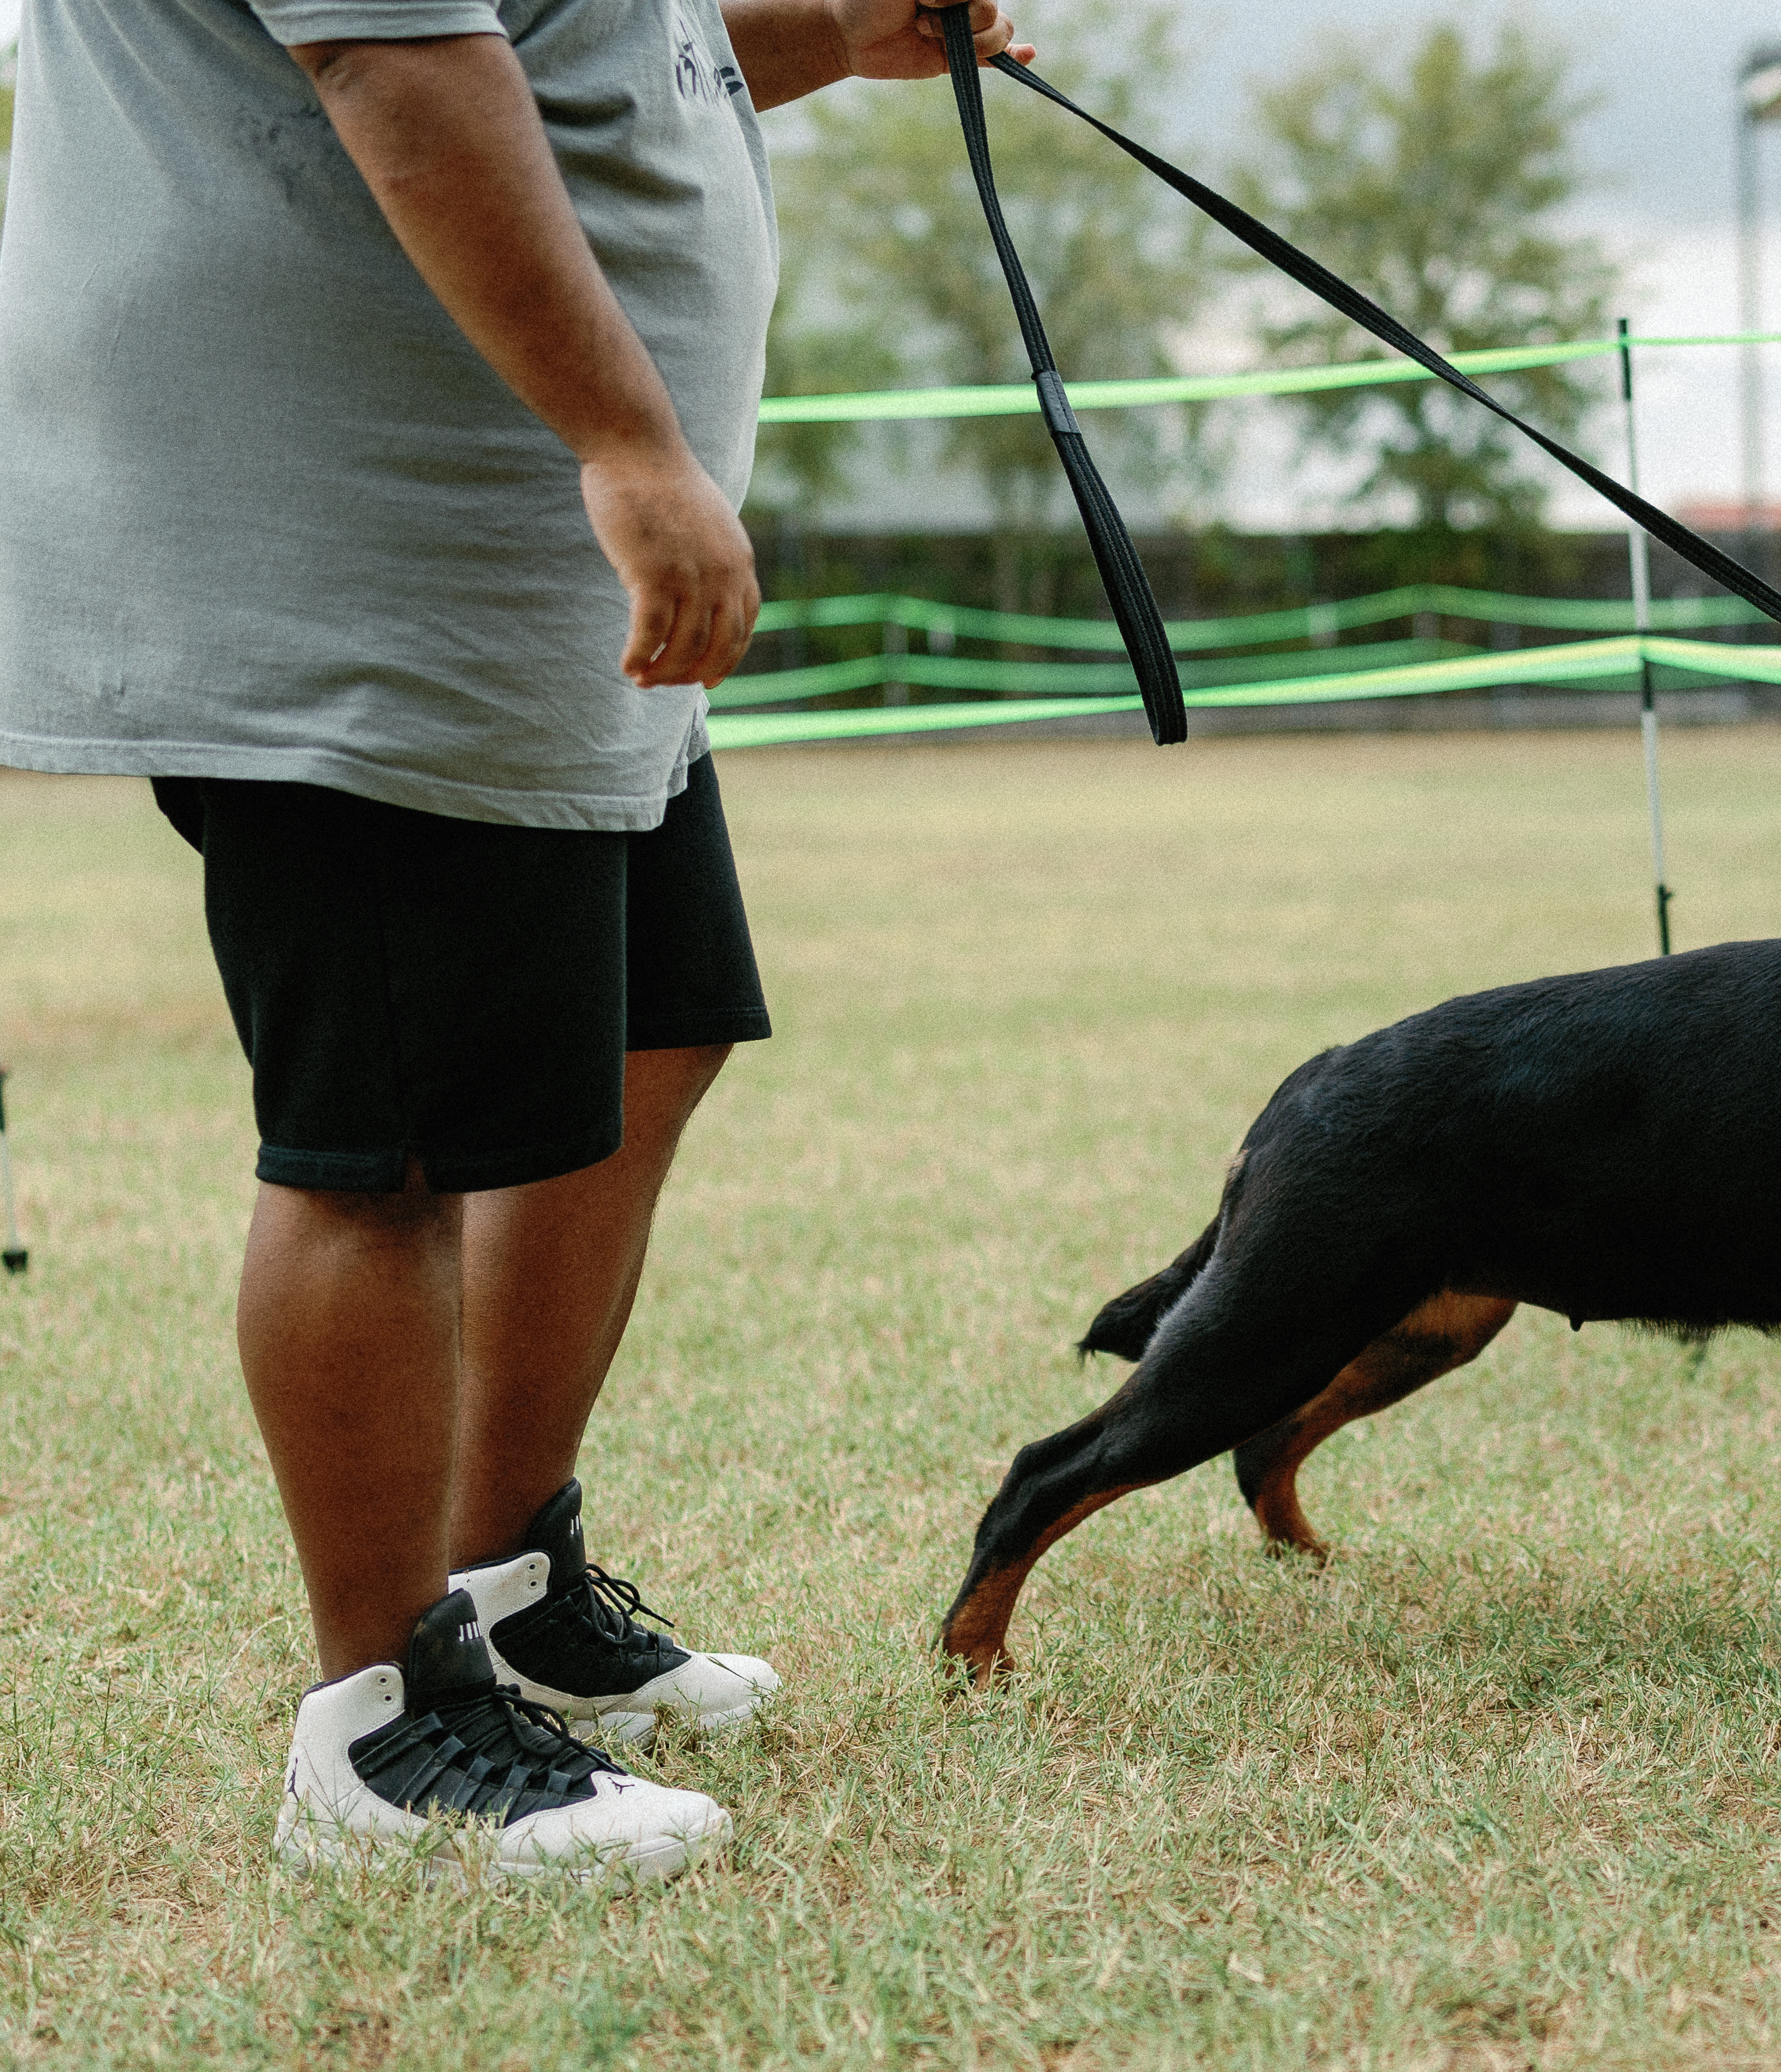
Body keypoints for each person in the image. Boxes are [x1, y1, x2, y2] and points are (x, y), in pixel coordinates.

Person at [0, 0, 1026, 1885]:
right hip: (372, 553)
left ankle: (501, 1577)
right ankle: (383, 1733)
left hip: (519, 575)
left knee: (650, 1036)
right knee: (381, 1145)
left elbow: (560, 34)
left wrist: (812, 38)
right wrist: (629, 440)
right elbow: (391, 57)